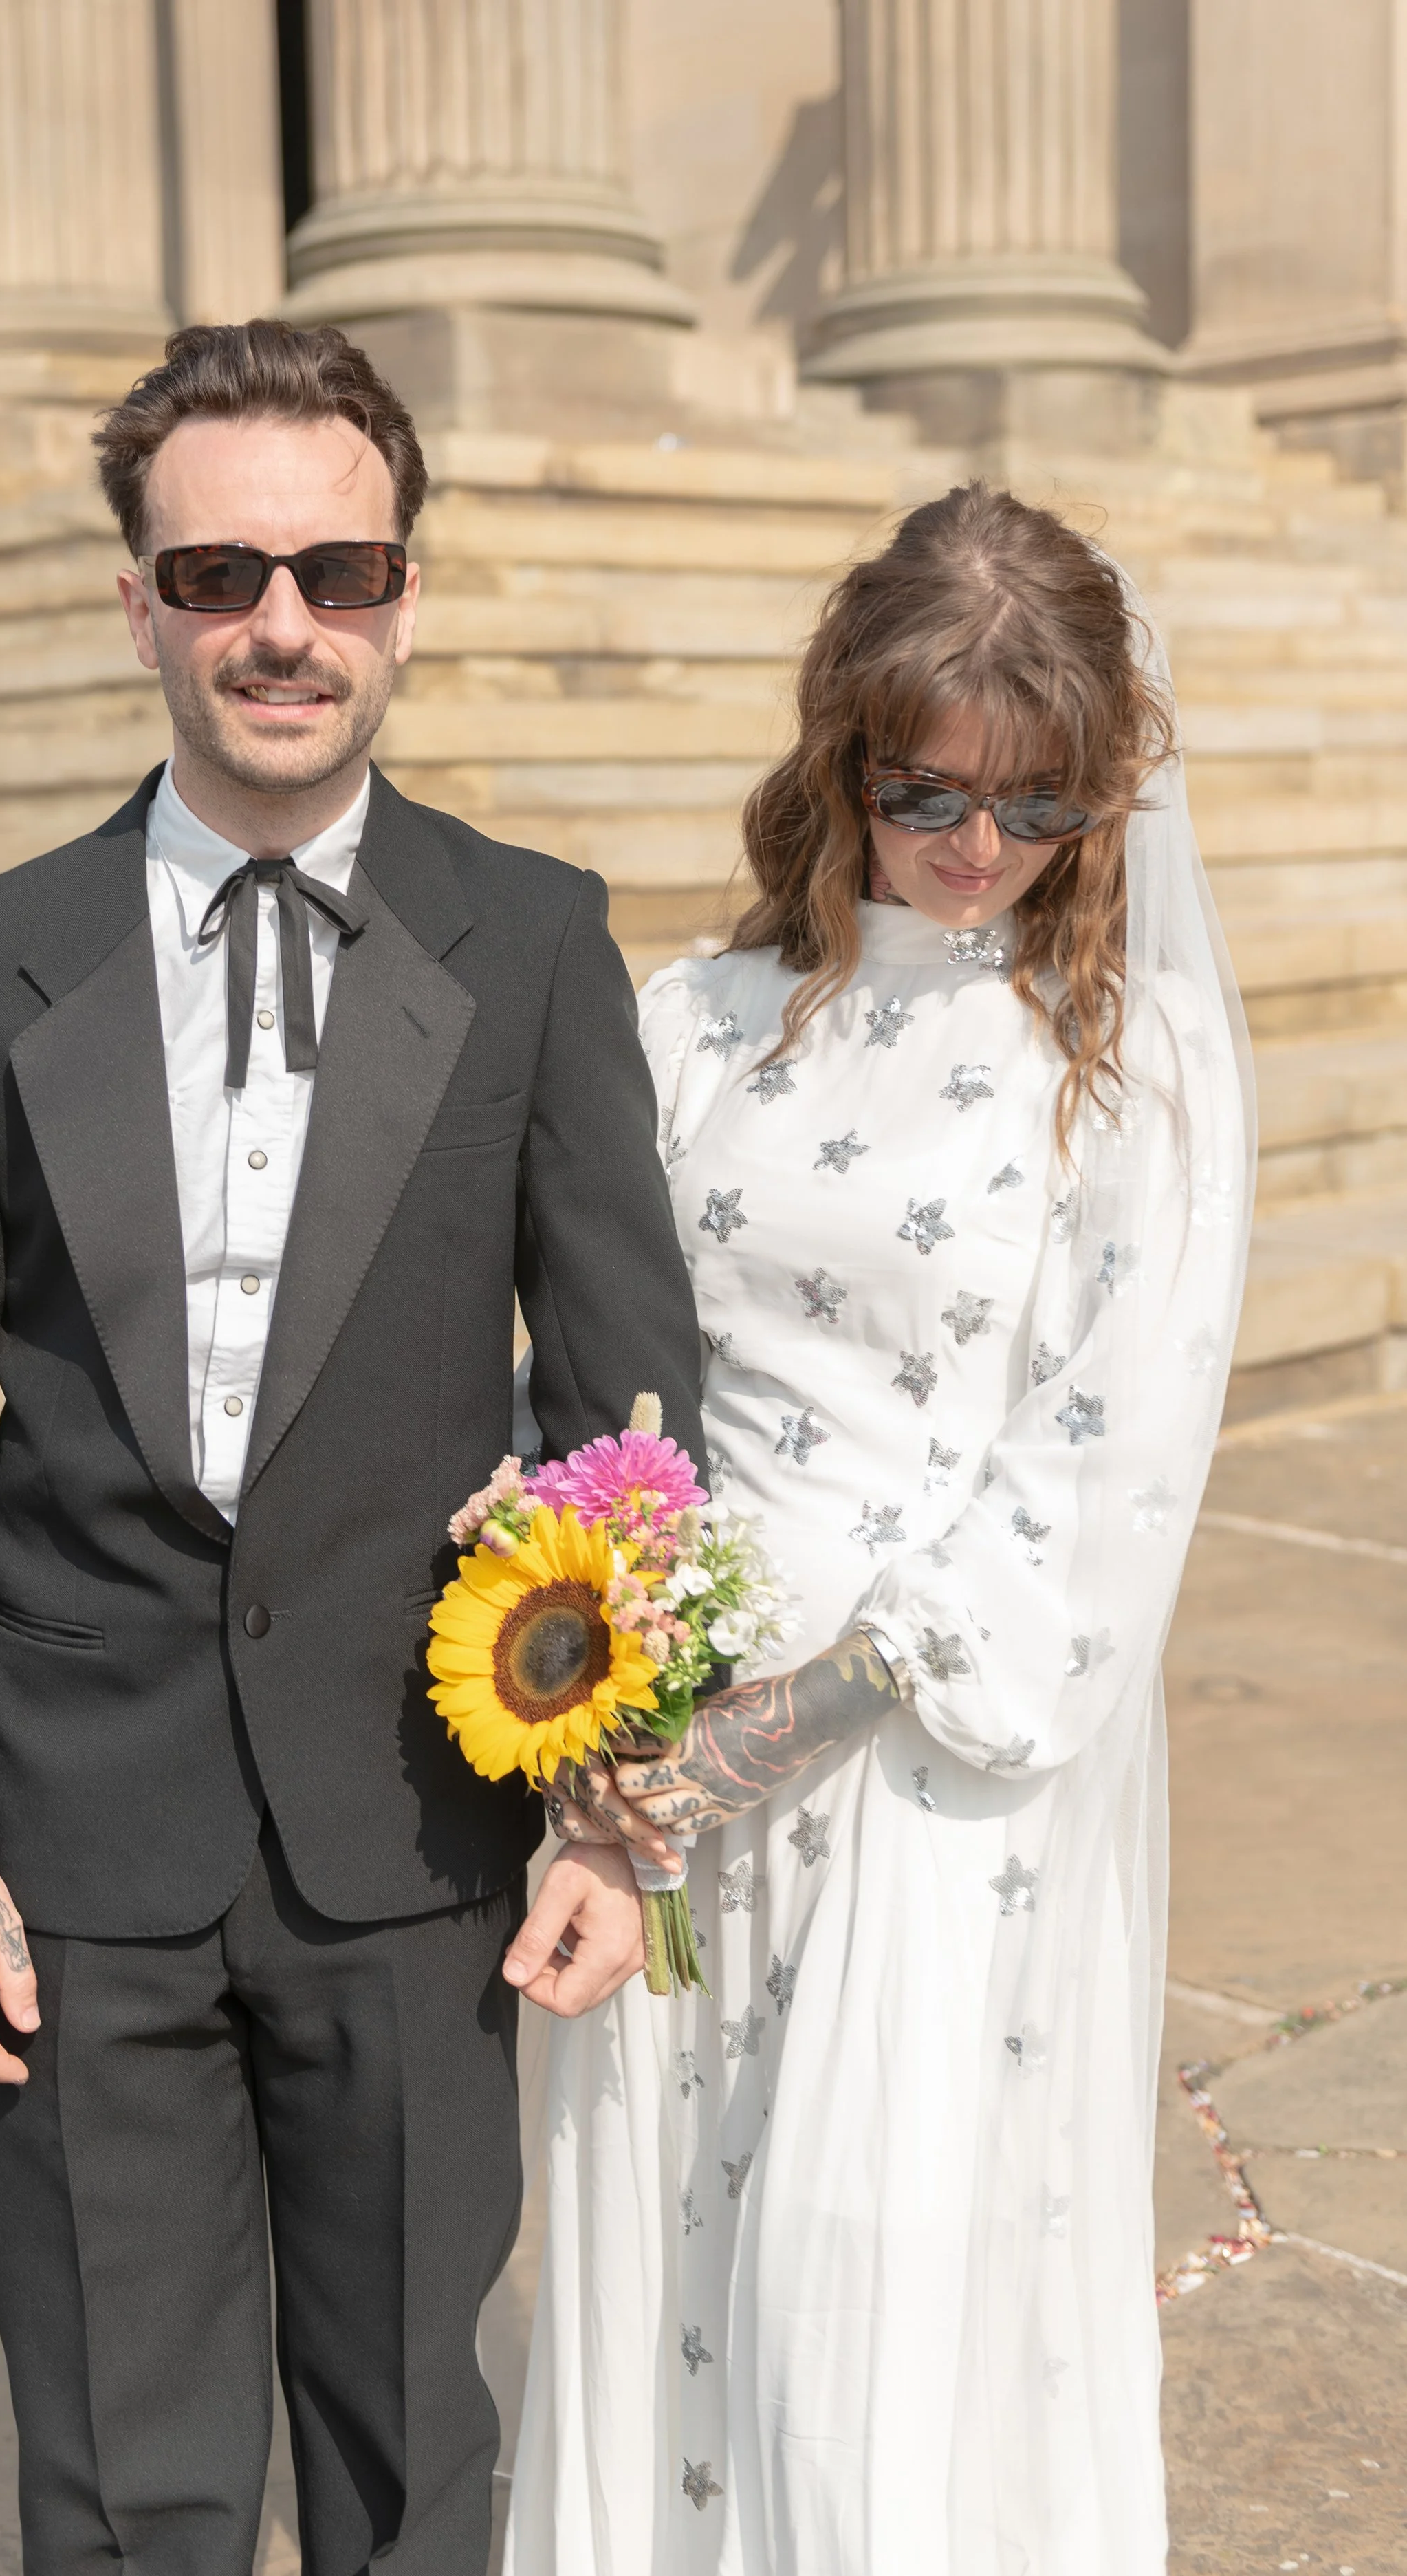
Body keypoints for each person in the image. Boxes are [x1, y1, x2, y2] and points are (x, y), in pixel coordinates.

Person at [0, 317, 704, 2576]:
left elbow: (630, 1417)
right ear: (139, 602)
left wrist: (613, 1809)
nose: (281, 626)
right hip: (74, 1842)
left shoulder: (528, 944)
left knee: (415, 2445)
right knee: (129, 2475)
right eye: (217, 573)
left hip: (414, 1834)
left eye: (336, 570)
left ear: (403, 596)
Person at [503, 484, 1254, 2575]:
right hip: (660, 1765)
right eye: (921, 790)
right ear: (838, 754)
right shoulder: (692, 1022)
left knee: (862, 2285)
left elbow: (1099, 1470)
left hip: (928, 1773)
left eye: (1031, 808)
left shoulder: (1136, 1071)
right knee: (658, 2267)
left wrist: (793, 1717)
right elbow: (600, 1384)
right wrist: (594, 1714)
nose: (970, 854)